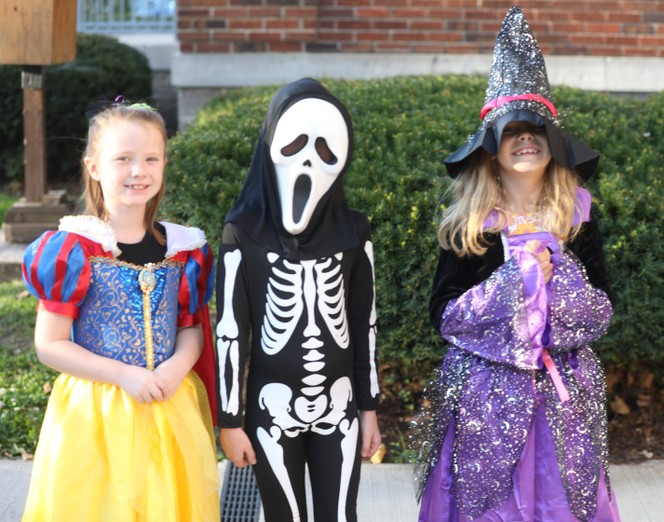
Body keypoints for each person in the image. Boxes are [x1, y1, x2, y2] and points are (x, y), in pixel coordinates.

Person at [412, 7, 621, 522]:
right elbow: (443, 314)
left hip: (563, 401)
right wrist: (515, 282)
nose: (525, 139)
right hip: (486, 397)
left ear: (553, 142)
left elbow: (604, 307)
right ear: (491, 148)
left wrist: (558, 277)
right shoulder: (471, 224)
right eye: (512, 131)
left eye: (536, 130)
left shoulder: (578, 215)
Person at [21, 100, 220, 521]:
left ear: (165, 162)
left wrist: (176, 368)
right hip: (95, 415)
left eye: (151, 158)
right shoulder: (73, 249)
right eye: (123, 159)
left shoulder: (184, 250)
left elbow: (190, 328)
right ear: (93, 167)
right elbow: (49, 345)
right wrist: (123, 375)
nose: (138, 171)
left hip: (169, 408)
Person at [215, 78, 381, 522]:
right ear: (271, 143)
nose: (309, 160)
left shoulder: (353, 231)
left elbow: (365, 322)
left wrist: (370, 408)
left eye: (326, 151)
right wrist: (229, 421)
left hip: (340, 402)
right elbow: (230, 331)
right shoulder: (242, 232)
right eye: (296, 144)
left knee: (340, 515)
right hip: (272, 408)